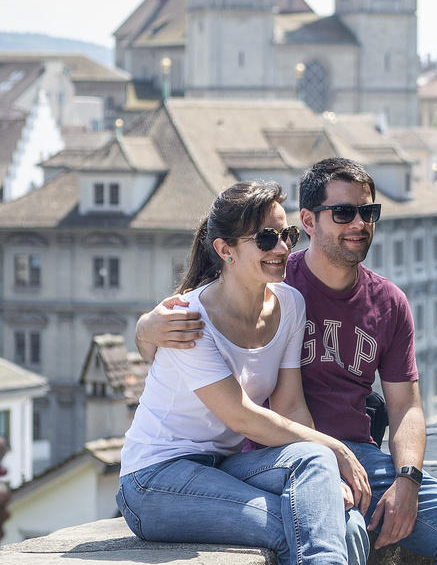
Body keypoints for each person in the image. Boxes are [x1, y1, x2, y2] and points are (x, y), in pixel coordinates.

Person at [137, 159, 437, 565]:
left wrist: (408, 479)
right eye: (344, 213)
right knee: (336, 530)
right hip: (271, 457)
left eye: (369, 213)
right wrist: (145, 328)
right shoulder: (273, 277)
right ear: (310, 220)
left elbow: (406, 406)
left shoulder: (365, 302)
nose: (359, 224)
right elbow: (185, 329)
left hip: (353, 456)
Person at [119, 181, 370, 565]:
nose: (284, 248)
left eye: (287, 235)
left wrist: (327, 465)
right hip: (154, 480)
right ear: (225, 250)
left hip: (224, 467)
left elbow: (290, 407)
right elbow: (241, 416)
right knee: (296, 528)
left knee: (340, 509)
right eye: (267, 238)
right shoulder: (187, 319)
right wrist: (334, 446)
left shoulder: (289, 303)